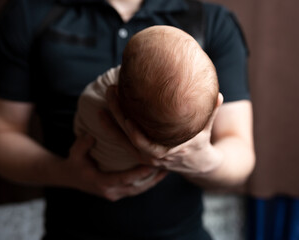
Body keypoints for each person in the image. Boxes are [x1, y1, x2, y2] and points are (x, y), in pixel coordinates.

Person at [0, 0, 255, 239]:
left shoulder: (211, 21)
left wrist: (202, 160)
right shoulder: (28, 13)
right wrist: (67, 174)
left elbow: (240, 152)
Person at [74, 25, 220, 173]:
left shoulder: (98, 99)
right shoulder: (172, 141)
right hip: (145, 176)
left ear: (117, 92)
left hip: (94, 160)